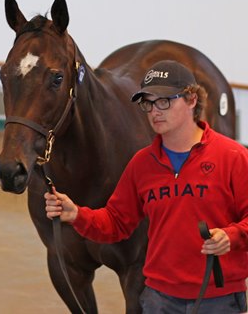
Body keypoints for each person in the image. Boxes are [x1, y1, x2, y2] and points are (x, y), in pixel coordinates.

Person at [44, 60, 248, 313]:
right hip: (158, 300)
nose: (154, 111)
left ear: (191, 99)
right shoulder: (142, 164)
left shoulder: (233, 157)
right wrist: (77, 214)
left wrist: (232, 236)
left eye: (164, 101)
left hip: (218, 300)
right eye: (148, 103)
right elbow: (116, 222)